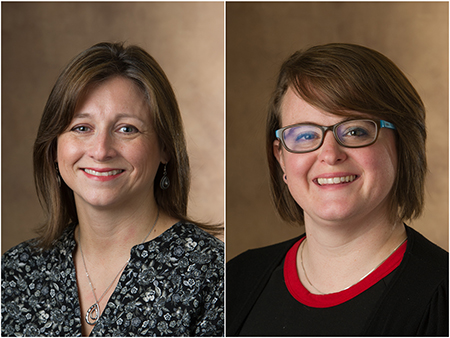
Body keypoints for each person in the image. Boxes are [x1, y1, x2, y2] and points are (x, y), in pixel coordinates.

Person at [2, 42, 224, 337]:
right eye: (81, 128)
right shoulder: (16, 272)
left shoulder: (211, 274)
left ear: (166, 148)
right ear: (54, 148)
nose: (101, 150)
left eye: (127, 129)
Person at [226, 43, 448, 336]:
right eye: (305, 134)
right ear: (280, 157)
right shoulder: (236, 280)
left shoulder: (442, 298)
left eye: (355, 131)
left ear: (402, 145)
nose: (330, 154)